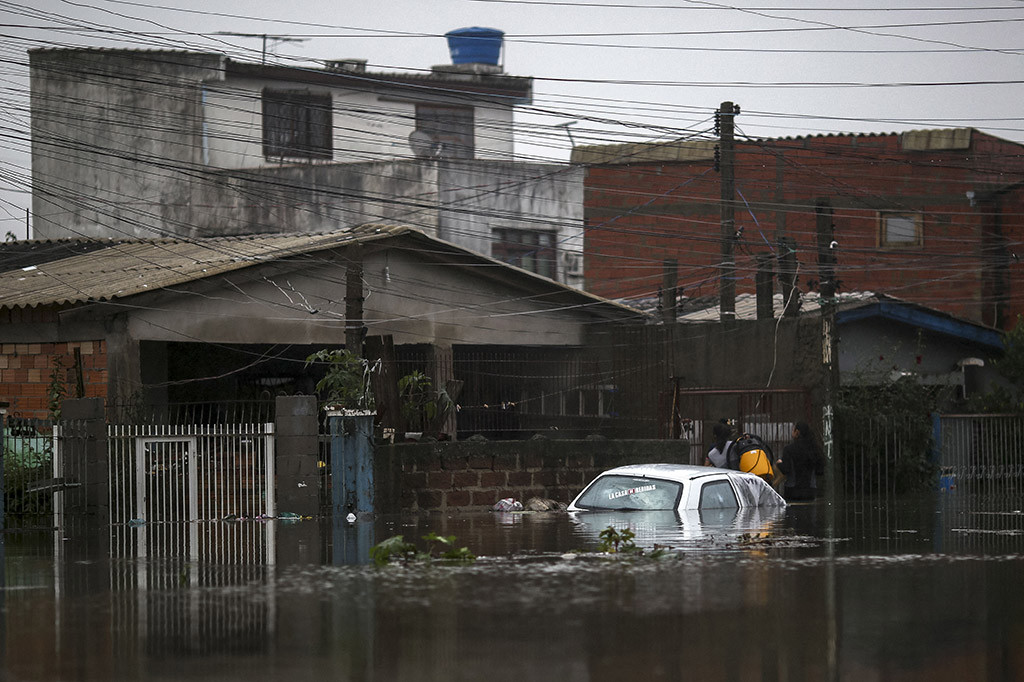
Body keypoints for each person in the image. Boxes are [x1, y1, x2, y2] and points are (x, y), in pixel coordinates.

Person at [776, 421, 825, 501]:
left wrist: (779, 464)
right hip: (810, 490)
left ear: (797, 432)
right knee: (809, 512)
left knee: (793, 512)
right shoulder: (814, 449)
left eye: (793, 430)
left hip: (792, 491)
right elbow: (820, 470)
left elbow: (786, 469)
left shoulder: (789, 449)